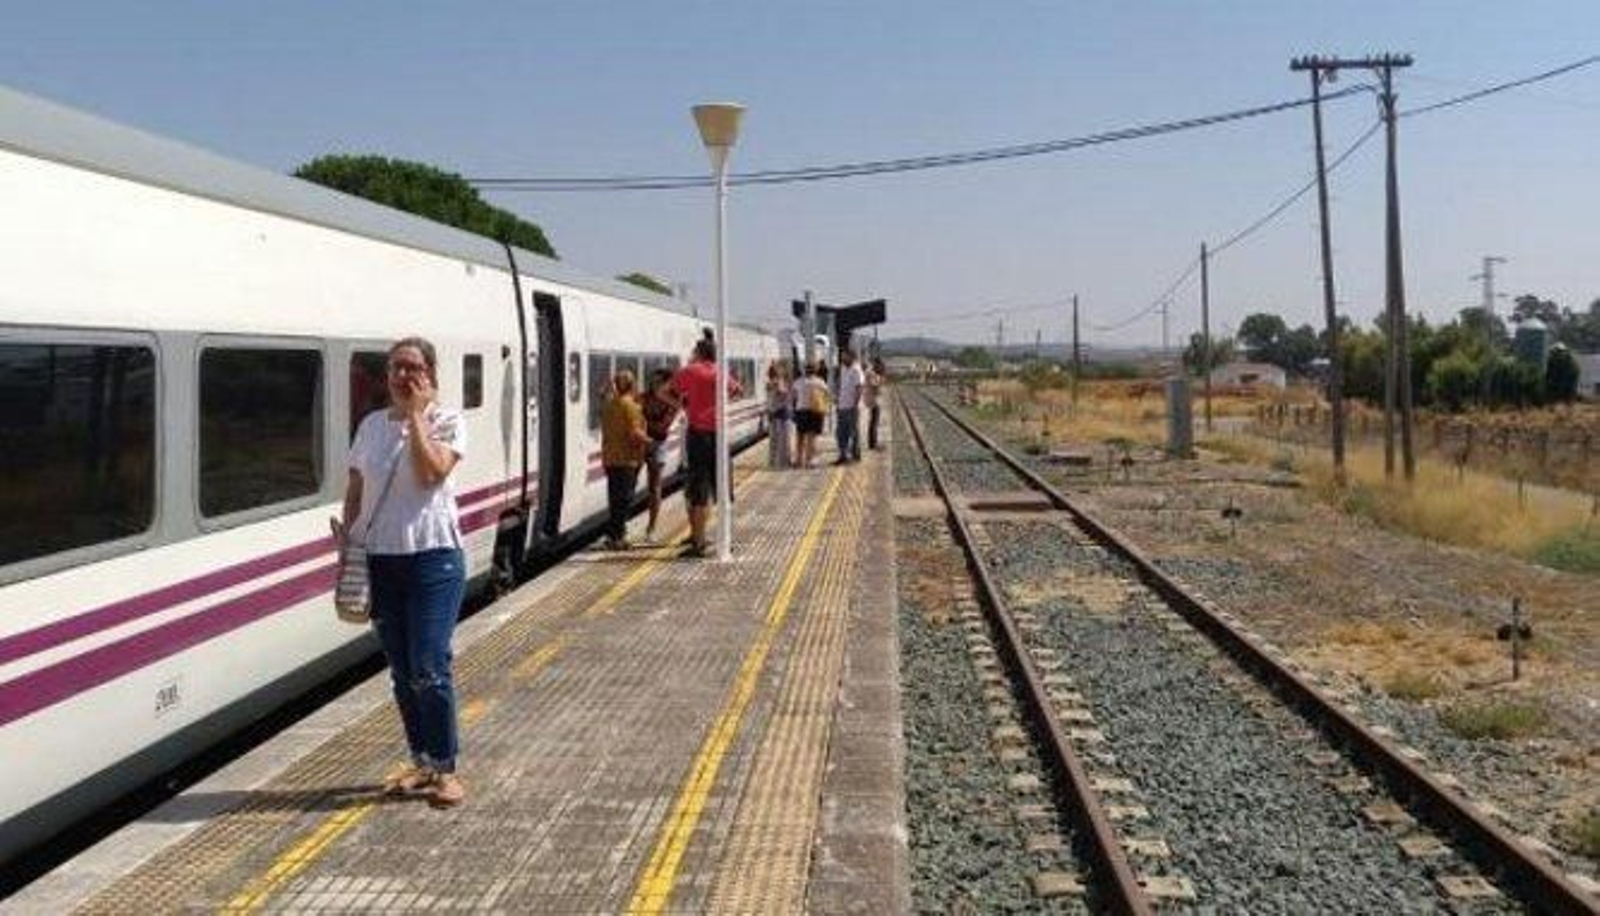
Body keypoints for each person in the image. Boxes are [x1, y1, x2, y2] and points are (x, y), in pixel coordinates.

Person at [335, 336, 468, 808]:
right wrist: (349, 542)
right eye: (394, 368)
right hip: (380, 561)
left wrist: (416, 416)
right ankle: (422, 760)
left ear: (430, 374)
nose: (402, 376)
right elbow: (356, 487)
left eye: (412, 367)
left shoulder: (448, 421)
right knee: (402, 670)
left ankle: (447, 768)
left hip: (434, 559)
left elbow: (432, 473)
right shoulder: (370, 426)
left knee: (430, 665)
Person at [672, 335, 742, 557]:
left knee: (699, 490)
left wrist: (684, 406)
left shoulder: (690, 371)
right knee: (722, 487)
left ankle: (699, 542)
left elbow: (667, 390)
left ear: (699, 352)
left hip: (698, 434)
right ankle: (726, 538)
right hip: (720, 434)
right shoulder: (721, 372)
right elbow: (738, 391)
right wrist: (720, 405)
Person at [600, 369, 652, 550]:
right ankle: (618, 537)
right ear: (632, 386)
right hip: (627, 459)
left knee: (614, 499)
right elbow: (635, 433)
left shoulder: (609, 404)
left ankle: (613, 534)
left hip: (610, 458)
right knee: (624, 499)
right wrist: (650, 441)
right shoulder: (630, 406)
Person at [641, 367, 680, 543]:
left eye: (659, 381)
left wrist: (643, 420)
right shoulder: (644, 396)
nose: (653, 384)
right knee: (630, 483)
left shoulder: (673, 402)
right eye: (653, 381)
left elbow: (662, 427)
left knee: (654, 486)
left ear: (667, 383)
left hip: (658, 444)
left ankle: (652, 528)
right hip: (640, 443)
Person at [792, 361, 830, 469]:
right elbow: (827, 395)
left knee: (800, 437)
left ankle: (798, 460)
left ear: (805, 370)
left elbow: (794, 397)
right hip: (815, 411)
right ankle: (810, 461)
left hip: (801, 411)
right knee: (811, 438)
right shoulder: (820, 382)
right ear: (815, 370)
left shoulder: (798, 381)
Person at [834, 349, 866, 464]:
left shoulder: (856, 370)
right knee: (840, 432)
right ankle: (843, 455)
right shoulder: (843, 369)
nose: (842, 359)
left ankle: (855, 455)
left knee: (853, 432)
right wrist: (837, 401)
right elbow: (841, 386)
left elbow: (859, 388)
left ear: (852, 357)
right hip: (842, 406)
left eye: (844, 357)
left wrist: (855, 405)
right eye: (842, 356)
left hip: (852, 407)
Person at [765, 360, 793, 469]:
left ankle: (772, 462)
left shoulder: (769, 383)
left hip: (773, 414)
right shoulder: (777, 382)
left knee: (774, 440)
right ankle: (783, 463)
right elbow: (783, 394)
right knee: (784, 440)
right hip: (781, 414)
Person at [864, 358, 885, 451]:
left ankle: (873, 442)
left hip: (872, 399)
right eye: (880, 365)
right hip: (874, 400)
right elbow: (875, 386)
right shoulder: (871, 373)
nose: (881, 367)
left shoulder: (870, 372)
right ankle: (873, 443)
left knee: (873, 422)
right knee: (874, 422)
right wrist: (880, 379)